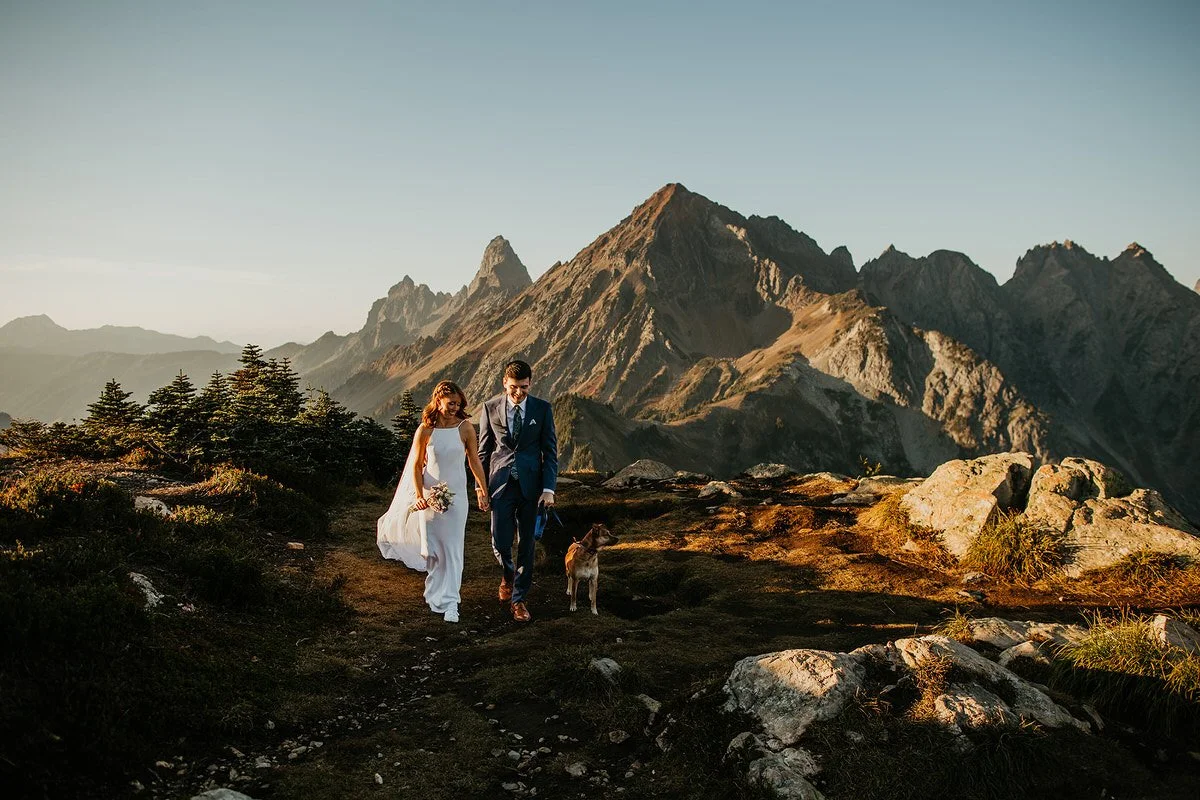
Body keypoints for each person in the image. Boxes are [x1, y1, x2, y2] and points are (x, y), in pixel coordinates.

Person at [377, 380, 489, 623]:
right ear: (438, 401)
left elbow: (474, 461)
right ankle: (434, 591)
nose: (454, 408)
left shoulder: (465, 428)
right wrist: (419, 496)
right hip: (430, 496)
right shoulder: (425, 430)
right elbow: (417, 466)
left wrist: (482, 487)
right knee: (433, 550)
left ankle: (451, 602)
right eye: (451, 403)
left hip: (457, 497)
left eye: (458, 404)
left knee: (452, 549)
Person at [477, 360, 558, 623]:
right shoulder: (490, 408)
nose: (518, 393)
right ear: (504, 382)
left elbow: (550, 453)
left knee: (527, 544)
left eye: (523, 387)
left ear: (530, 383)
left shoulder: (542, 409)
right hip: (500, 485)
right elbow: (483, 451)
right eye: (514, 387)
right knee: (500, 542)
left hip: (532, 488)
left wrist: (548, 489)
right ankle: (508, 574)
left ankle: (519, 599)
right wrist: (480, 486)